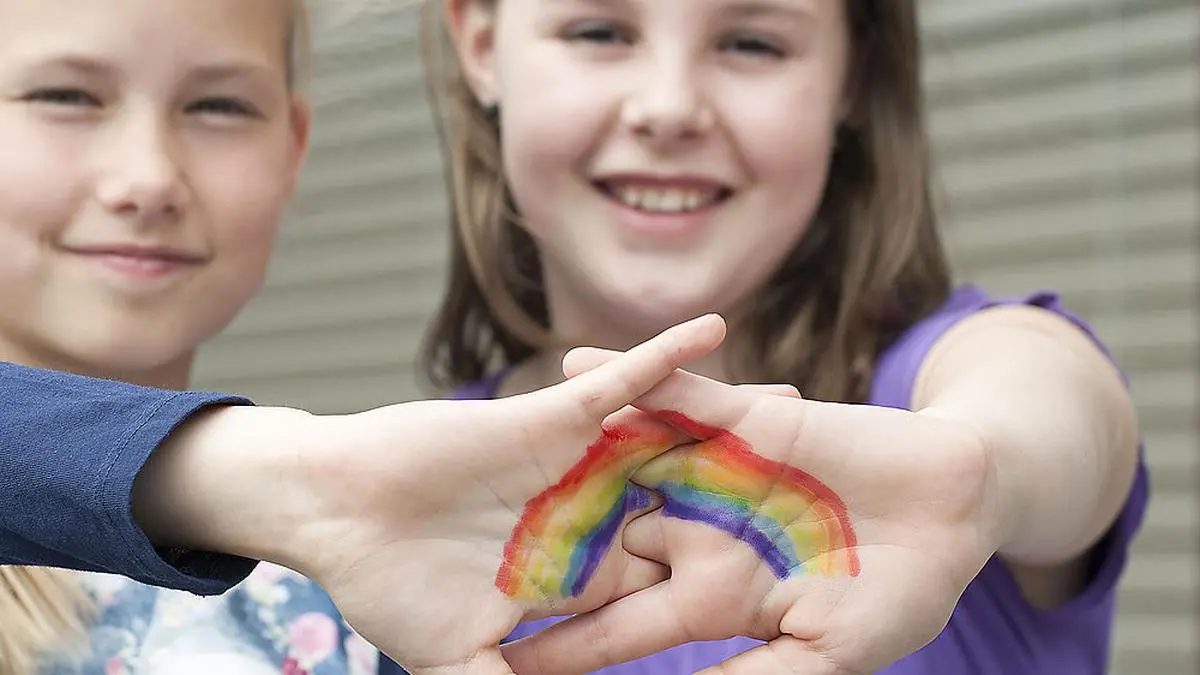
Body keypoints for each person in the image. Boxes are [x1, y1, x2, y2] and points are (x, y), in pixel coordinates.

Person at [415, 0, 1152, 673]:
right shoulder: (420, 490)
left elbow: (1058, 412)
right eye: (599, 32)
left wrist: (980, 475)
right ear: (481, 47)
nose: (669, 108)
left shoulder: (941, 389)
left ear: (852, 79)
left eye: (751, 43)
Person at [0, 0, 733, 672]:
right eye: (63, 96)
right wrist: (296, 487)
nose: (149, 177)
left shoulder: (356, 595)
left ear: (294, 146)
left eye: (220, 105)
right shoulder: (330, 501)